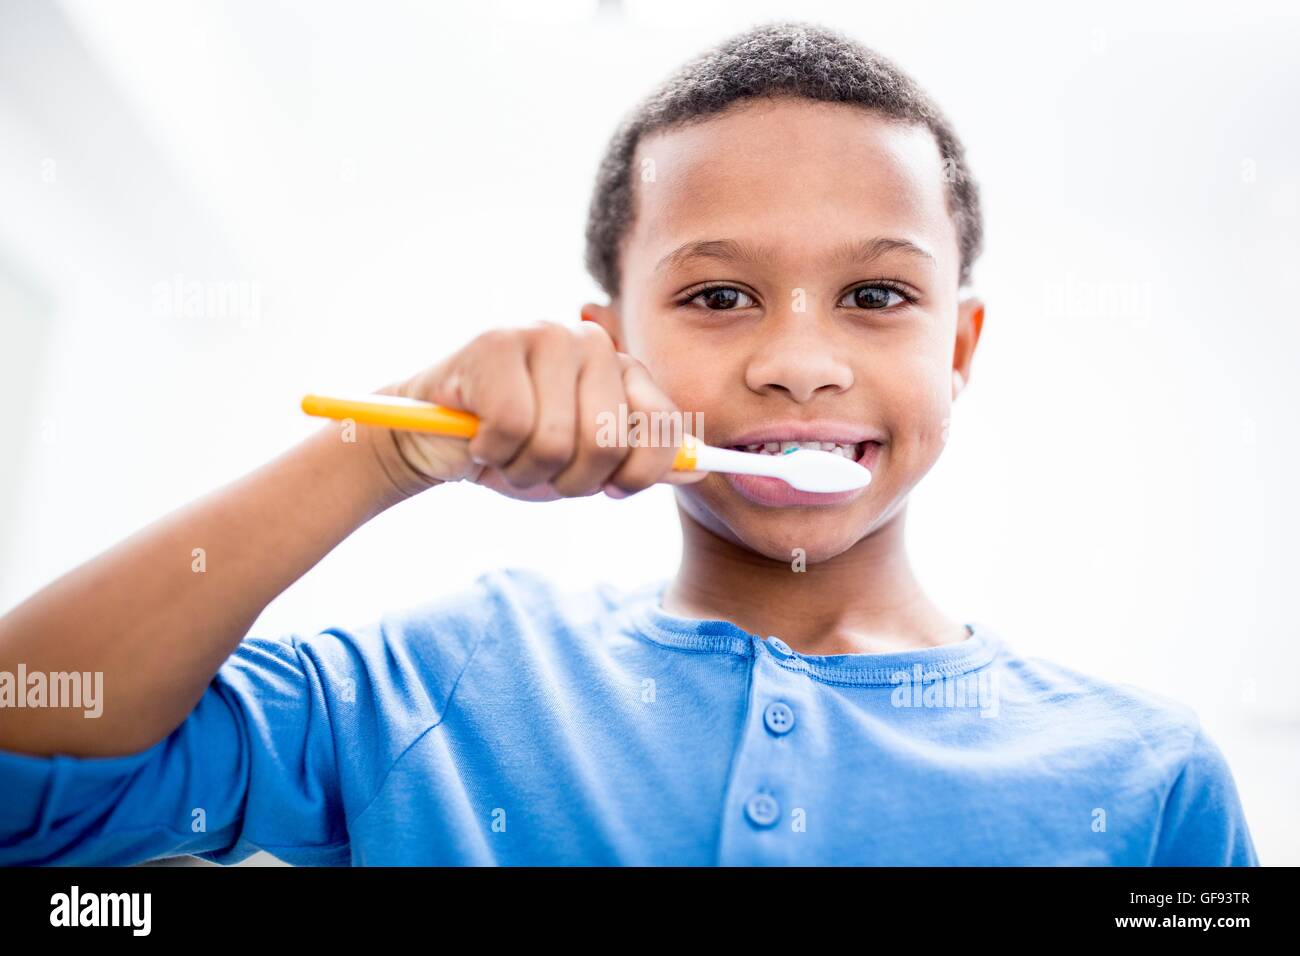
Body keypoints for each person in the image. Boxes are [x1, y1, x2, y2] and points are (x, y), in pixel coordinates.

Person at [0, 21, 1258, 865]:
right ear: (614, 341)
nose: (797, 359)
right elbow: (25, 760)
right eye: (717, 297)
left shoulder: (1146, 780)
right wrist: (378, 455)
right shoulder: (437, 682)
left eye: (876, 296)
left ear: (961, 348)